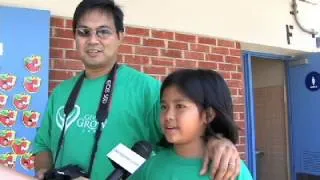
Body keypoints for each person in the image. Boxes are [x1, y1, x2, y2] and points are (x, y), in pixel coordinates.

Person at [34, 0, 242, 180]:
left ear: (120, 36)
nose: (93, 40)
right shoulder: (61, 92)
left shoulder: (147, 89)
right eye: (84, 32)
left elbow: (186, 130)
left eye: (103, 31)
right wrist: (44, 171)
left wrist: (217, 139)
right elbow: (42, 145)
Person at [130, 69, 253, 180]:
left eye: (180, 106)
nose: (168, 116)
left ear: (208, 115)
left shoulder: (229, 170)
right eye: (164, 107)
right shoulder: (151, 167)